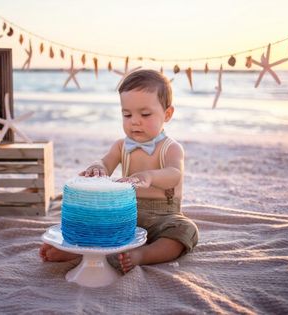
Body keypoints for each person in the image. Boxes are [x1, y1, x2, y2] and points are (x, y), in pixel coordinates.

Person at [39, 69, 199, 273]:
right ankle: (75, 251)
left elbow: (174, 174)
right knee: (96, 227)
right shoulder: (121, 146)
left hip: (163, 217)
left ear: (167, 114)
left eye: (145, 114)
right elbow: (106, 163)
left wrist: (149, 176)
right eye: (127, 114)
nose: (135, 120)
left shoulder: (171, 148)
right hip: (124, 213)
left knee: (185, 231)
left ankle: (143, 255)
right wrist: (97, 167)